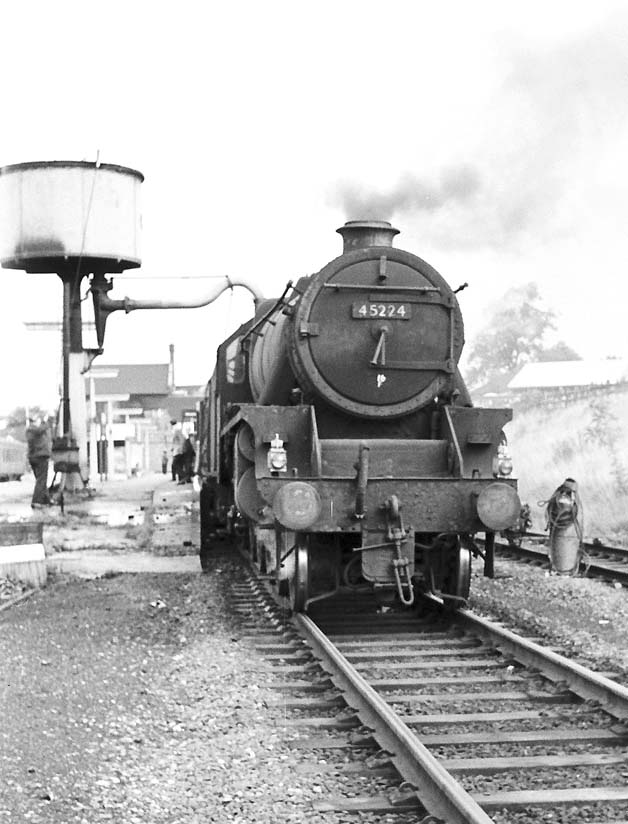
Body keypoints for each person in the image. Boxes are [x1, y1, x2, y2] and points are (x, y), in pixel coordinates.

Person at [25, 415, 52, 508]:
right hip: (40, 456)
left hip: (33, 457)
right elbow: (41, 429)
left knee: (40, 480)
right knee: (41, 480)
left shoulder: (30, 430)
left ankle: (46, 500)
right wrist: (47, 422)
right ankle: (37, 501)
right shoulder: (34, 430)